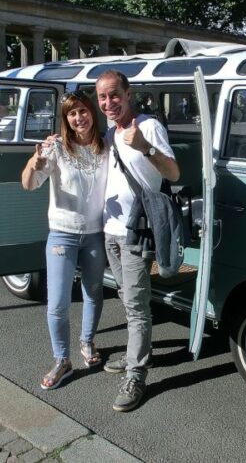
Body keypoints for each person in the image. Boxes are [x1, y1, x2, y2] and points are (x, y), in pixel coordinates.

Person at [96, 70, 179, 412]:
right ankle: (137, 353)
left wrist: (145, 147)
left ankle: (136, 374)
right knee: (125, 295)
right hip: (110, 229)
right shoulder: (110, 133)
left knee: (136, 303)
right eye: (102, 97)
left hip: (137, 230)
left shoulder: (149, 126)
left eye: (114, 94)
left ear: (129, 94)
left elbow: (173, 172)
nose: (108, 102)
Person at [21, 91, 109, 390]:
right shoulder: (56, 147)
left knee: (93, 292)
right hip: (62, 234)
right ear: (66, 119)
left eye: (83, 111)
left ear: (92, 113)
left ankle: (87, 341)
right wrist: (34, 161)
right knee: (58, 302)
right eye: (72, 113)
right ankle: (62, 360)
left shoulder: (106, 147)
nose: (78, 118)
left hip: (96, 233)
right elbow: (29, 184)